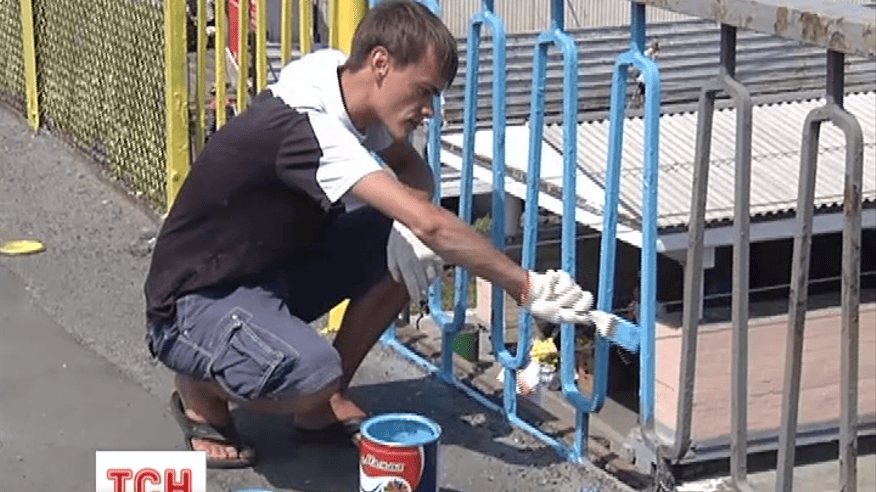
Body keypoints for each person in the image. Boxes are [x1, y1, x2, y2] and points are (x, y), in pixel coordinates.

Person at [144, 0, 596, 468]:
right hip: (194, 302)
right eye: (424, 91)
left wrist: (408, 228)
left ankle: (320, 404)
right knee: (315, 372)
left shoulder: (339, 81)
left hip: (263, 273)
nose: (430, 110)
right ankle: (201, 390)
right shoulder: (307, 126)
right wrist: (525, 286)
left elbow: (414, 172)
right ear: (380, 63)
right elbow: (432, 222)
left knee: (404, 245)